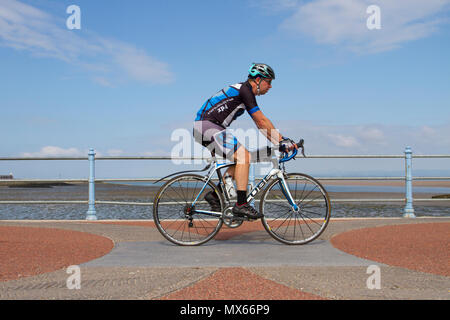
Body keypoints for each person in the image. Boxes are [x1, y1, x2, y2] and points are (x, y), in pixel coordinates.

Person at [193, 63, 297, 219]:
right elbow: (261, 121)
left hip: (205, 126)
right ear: (257, 79)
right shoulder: (245, 90)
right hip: (207, 126)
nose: (270, 86)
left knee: (240, 160)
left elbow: (261, 124)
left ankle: (215, 195)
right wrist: (283, 141)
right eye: (268, 82)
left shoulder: (244, 90)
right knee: (244, 156)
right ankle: (241, 205)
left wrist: (279, 141)